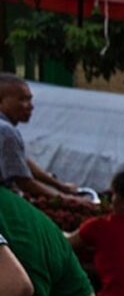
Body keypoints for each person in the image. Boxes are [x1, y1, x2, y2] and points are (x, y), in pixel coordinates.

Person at [0, 76, 79, 204]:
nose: (30, 106)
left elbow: (22, 162)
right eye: (22, 99)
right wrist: (66, 199)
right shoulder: (6, 131)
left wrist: (60, 186)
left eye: (29, 99)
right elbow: (23, 181)